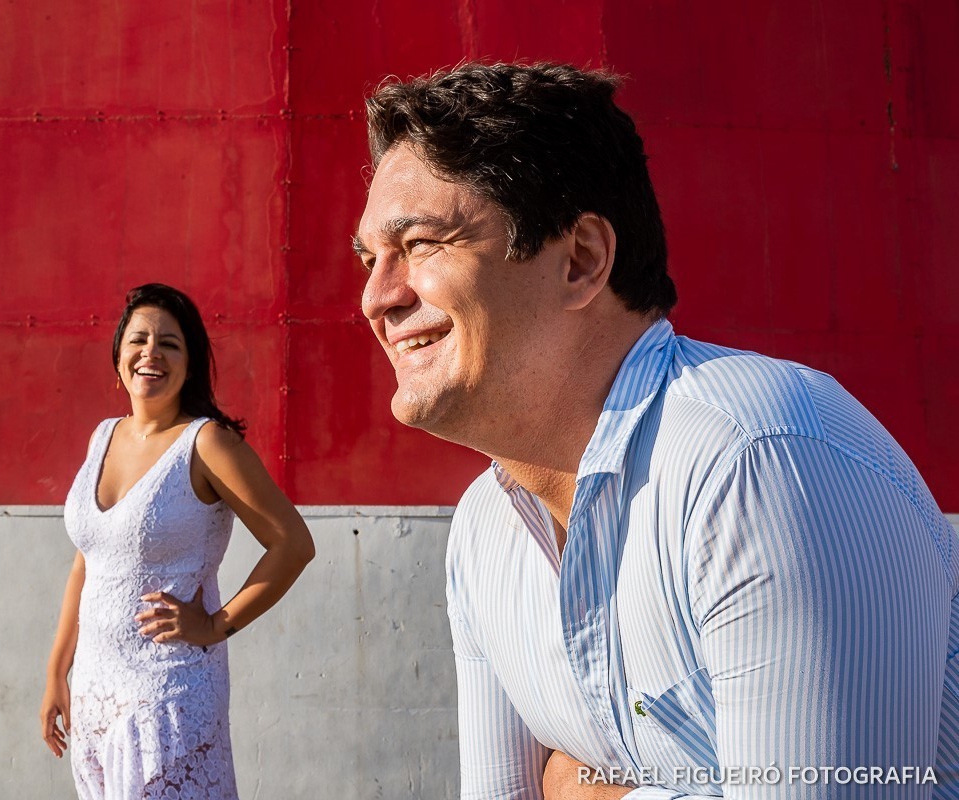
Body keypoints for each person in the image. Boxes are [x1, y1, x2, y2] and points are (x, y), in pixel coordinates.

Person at [353, 62, 959, 799]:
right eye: (369, 258)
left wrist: (585, 792)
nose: (376, 297)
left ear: (580, 260)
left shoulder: (759, 462)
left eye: (420, 245)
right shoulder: (486, 532)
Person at [39, 283, 315, 799]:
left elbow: (292, 544)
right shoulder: (104, 435)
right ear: (118, 355)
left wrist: (216, 623)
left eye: (170, 343)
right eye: (139, 340)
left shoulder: (207, 443)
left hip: (168, 694)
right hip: (96, 693)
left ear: (190, 365)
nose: (151, 353)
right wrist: (58, 670)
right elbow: (89, 561)